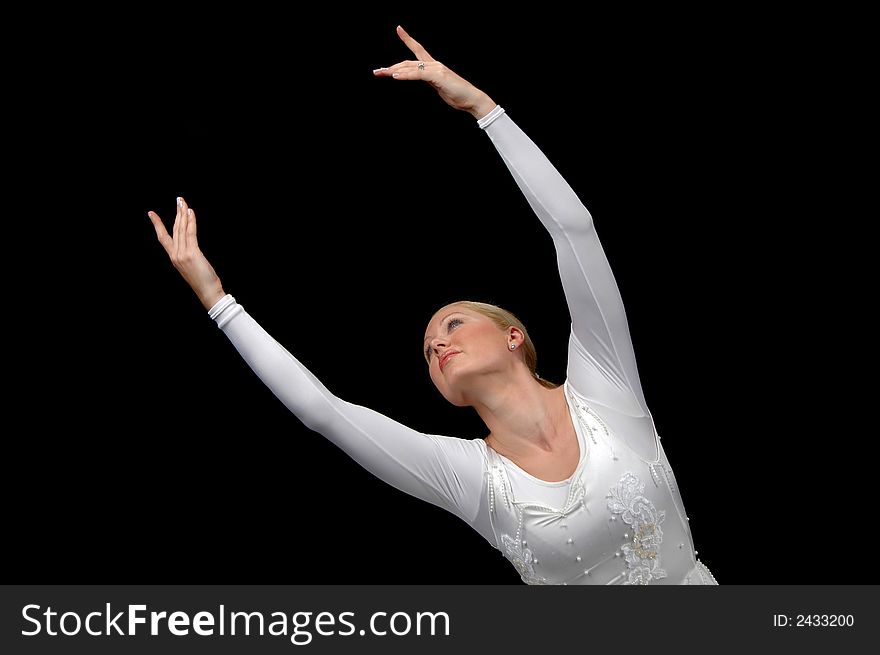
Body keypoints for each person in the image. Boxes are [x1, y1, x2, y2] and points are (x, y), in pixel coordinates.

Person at [147, 25, 717, 585]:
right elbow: (322, 410)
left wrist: (484, 110)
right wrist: (216, 299)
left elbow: (575, 232)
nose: (438, 344)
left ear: (514, 335)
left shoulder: (605, 388)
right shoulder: (468, 478)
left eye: (452, 324)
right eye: (427, 351)